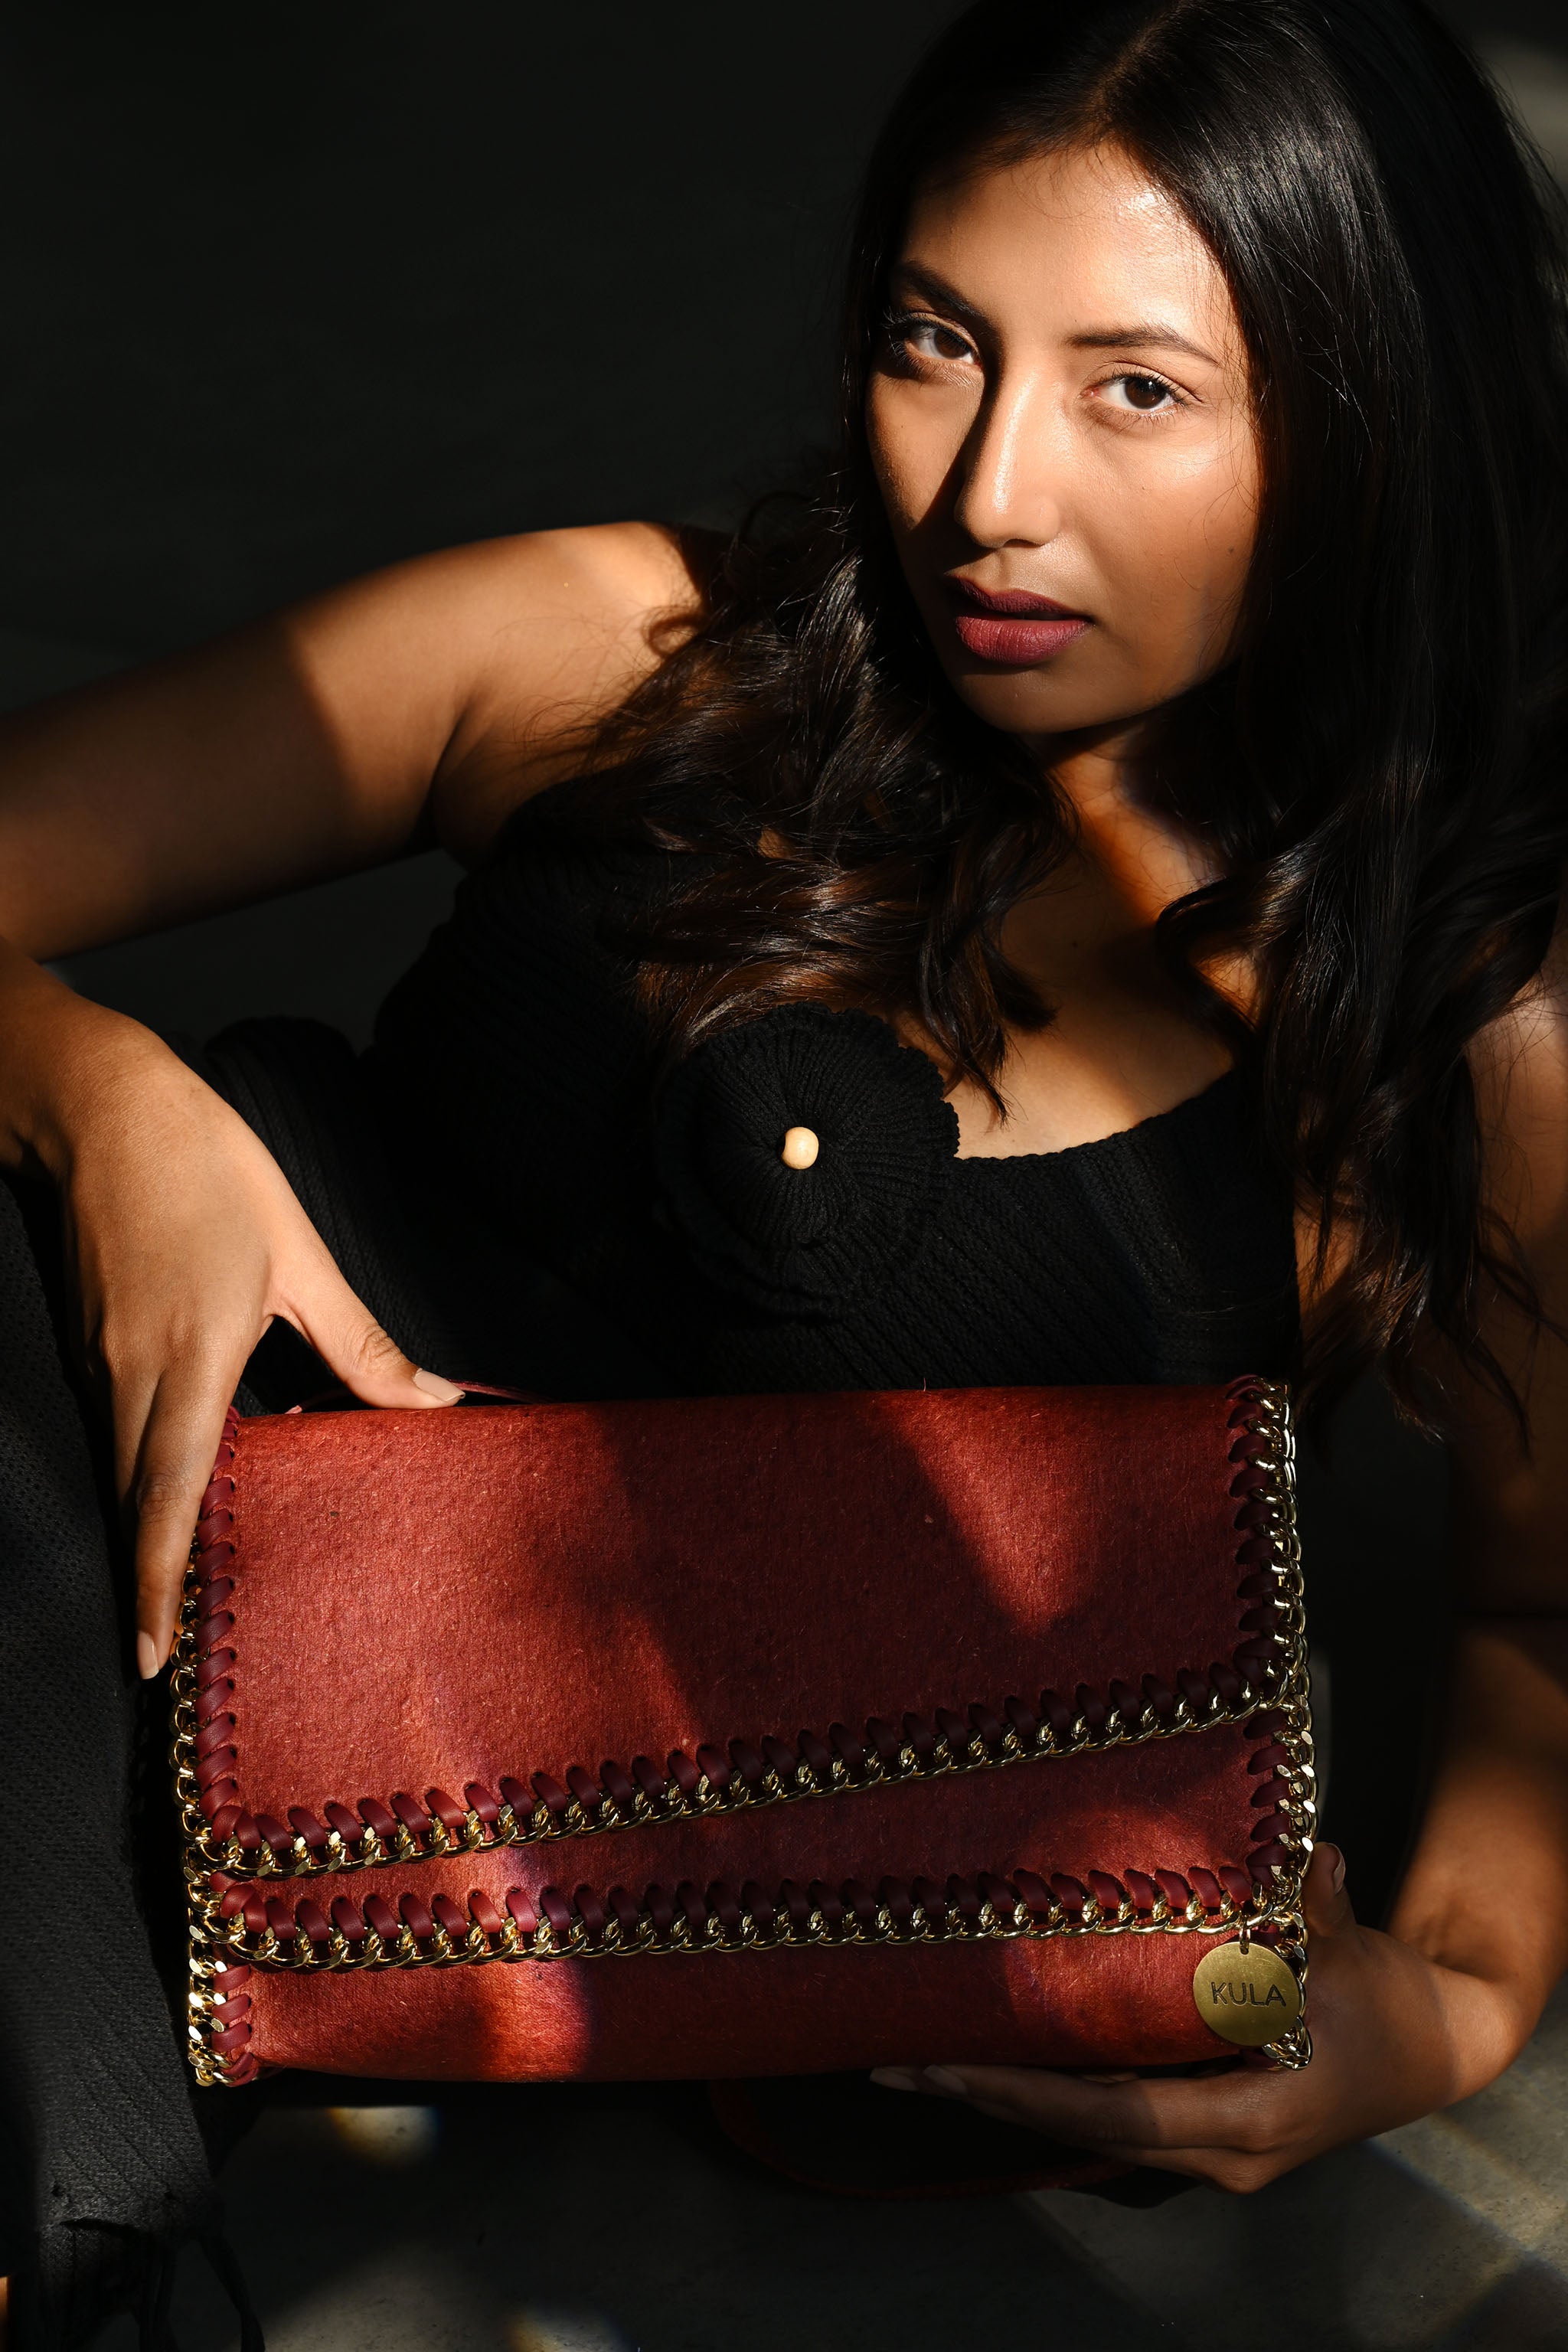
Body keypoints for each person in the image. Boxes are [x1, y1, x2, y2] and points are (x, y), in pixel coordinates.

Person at [2, 0, 1566, 2340]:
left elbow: (1544, 1619)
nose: (987, 494)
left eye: (1136, 388)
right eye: (937, 343)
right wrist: (104, 1108)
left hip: (421, 1846)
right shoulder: (614, 651)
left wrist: (1431, 2012)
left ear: (1368, 424)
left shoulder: (1443, 1049)